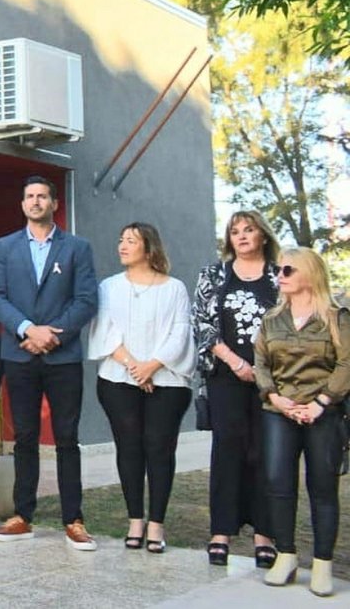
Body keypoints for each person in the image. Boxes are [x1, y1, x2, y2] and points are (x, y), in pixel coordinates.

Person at [0, 175, 100, 550]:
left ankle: (74, 519)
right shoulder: (5, 247)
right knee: (25, 437)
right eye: (29, 196)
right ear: (22, 205)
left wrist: (54, 334)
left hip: (62, 355)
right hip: (19, 354)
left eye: (42, 196)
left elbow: (86, 300)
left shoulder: (77, 248)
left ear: (53, 204)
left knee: (67, 439)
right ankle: (22, 515)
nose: (35, 202)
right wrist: (27, 330)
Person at [85, 223, 196, 554]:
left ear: (149, 249)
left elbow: (180, 331)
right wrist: (134, 366)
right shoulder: (108, 287)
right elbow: (103, 330)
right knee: (129, 448)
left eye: (131, 241)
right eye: (121, 239)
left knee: (160, 449)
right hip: (119, 380)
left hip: (167, 381)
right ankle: (135, 519)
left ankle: (157, 524)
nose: (122, 245)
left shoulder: (174, 288)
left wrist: (152, 365)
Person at [255, 247, 349, 595]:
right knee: (278, 483)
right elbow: (261, 363)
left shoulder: (337, 317)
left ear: (309, 273)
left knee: (323, 488)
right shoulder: (271, 319)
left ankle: (322, 564)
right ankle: (286, 555)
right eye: (279, 270)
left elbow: (346, 365)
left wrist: (321, 402)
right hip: (279, 412)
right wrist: (276, 397)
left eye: (289, 270)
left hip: (323, 412)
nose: (280, 275)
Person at [192, 210, 279, 568]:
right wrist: (236, 362)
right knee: (227, 450)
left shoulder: (280, 274)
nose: (241, 236)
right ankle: (221, 533)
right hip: (226, 375)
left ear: (262, 235)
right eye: (235, 231)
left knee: (264, 453)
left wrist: (260, 368)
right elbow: (202, 323)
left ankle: (264, 535)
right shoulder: (213, 274)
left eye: (249, 230)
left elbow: (293, 323)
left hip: (272, 378)